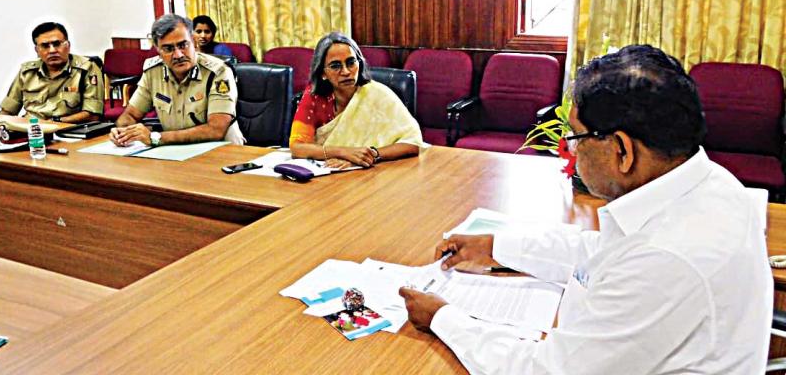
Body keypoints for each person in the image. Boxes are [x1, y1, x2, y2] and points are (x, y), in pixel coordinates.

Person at [399, 45, 773, 374]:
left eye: (576, 136)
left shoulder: (668, 258)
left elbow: (546, 371)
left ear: (622, 151)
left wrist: (443, 318)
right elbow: (604, 254)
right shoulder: (706, 183)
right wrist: (495, 248)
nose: (571, 150)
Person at [289, 32, 422, 169]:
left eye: (351, 62)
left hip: (375, 173)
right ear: (323, 73)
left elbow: (413, 144)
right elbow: (297, 148)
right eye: (335, 66)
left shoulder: (378, 94)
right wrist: (344, 152)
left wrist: (370, 155)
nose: (346, 71)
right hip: (327, 172)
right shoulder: (314, 97)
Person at [110, 14, 244, 147]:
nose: (178, 55)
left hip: (221, 150)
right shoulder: (153, 72)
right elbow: (130, 116)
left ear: (193, 42)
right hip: (175, 150)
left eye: (183, 45)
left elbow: (216, 130)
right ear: (158, 50)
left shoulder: (219, 72)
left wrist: (156, 138)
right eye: (168, 49)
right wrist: (123, 132)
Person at [0, 22, 104, 123]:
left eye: (57, 44)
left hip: (67, 131)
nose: (52, 50)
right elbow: (7, 111)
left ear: (68, 46)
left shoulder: (86, 68)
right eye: (45, 46)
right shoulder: (27, 72)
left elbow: (93, 115)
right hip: (31, 131)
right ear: (37, 50)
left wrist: (54, 122)